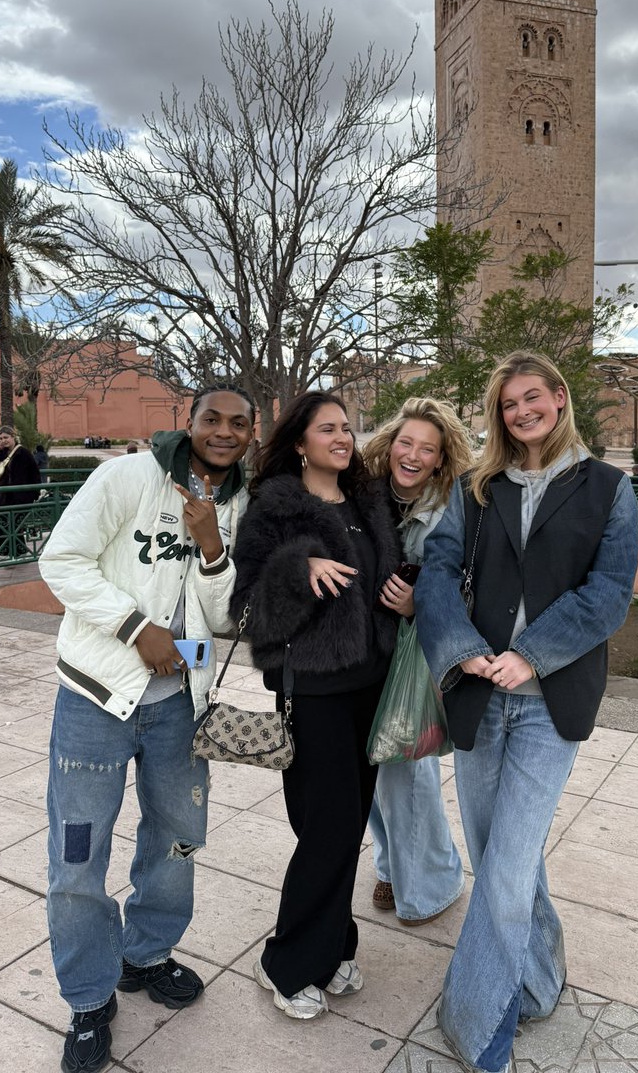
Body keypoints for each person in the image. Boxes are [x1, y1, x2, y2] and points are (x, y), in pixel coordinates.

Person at [415, 351, 638, 1073]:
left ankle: (480, 1027)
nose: (521, 412)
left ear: (559, 397)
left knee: (507, 867)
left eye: (532, 397)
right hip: (480, 694)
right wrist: (462, 647)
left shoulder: (609, 489)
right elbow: (439, 572)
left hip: (548, 703)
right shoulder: (477, 489)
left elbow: (608, 594)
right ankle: (541, 980)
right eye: (508, 403)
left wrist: (532, 654)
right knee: (498, 857)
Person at [38, 385, 255, 1073]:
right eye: (211, 419)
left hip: (179, 703)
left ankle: (148, 952)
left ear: (253, 431)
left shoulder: (241, 503)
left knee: (181, 839)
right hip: (96, 698)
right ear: (187, 423)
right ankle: (88, 996)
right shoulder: (123, 477)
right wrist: (136, 626)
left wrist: (215, 547)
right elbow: (60, 562)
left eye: (238, 423)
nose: (224, 431)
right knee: (78, 858)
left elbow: (222, 622)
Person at [230, 391, 403, 1021]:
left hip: (372, 684)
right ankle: (286, 961)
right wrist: (297, 570)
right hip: (312, 687)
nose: (343, 437)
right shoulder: (276, 507)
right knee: (327, 827)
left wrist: (403, 598)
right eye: (327, 429)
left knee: (349, 826)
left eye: (347, 428)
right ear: (299, 442)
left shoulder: (368, 502)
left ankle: (333, 947)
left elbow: (387, 583)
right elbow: (244, 601)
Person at [363, 397, 471, 926]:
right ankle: (391, 863)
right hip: (361, 650)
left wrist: (418, 603)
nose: (413, 454)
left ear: (440, 459)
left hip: (411, 651)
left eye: (427, 449)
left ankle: (431, 882)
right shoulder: (363, 493)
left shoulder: (453, 505)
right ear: (390, 444)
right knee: (371, 768)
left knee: (408, 765)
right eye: (406, 442)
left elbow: (465, 580)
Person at [0, 427, 40, 557]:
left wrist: (34, 493)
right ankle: (6, 552)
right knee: (2, 523)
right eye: (1, 438)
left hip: (21, 496)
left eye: (6, 437)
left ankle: (18, 552)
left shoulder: (23, 453)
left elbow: (34, 474)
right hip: (3, 496)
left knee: (15, 525)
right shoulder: (1, 453)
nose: (3, 440)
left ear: (13, 437)